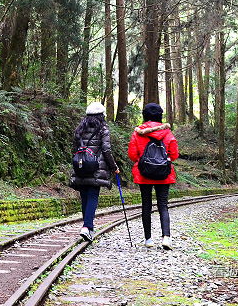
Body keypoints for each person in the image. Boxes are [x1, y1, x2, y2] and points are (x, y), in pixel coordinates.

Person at [128, 102, 179, 250]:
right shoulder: (167, 133)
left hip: (144, 174)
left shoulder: (138, 133)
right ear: (159, 116)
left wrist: (143, 160)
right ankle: (166, 237)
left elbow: (132, 154)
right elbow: (174, 154)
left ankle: (148, 239)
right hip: (163, 174)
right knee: (163, 205)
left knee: (146, 205)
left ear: (145, 115)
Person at [69, 102, 120, 242]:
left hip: (80, 167)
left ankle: (87, 227)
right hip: (95, 168)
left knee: (85, 197)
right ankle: (87, 227)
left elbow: (74, 149)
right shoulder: (103, 129)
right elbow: (106, 150)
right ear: (101, 115)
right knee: (92, 196)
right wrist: (114, 167)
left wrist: (80, 162)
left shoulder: (80, 128)